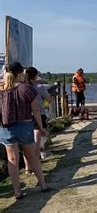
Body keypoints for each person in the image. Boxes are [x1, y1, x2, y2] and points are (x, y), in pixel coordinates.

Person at [0, 62, 49, 199]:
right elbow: (35, 110)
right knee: (32, 156)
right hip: (25, 126)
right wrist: (40, 127)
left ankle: (17, 192)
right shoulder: (26, 89)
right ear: (20, 73)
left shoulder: (1, 89)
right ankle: (43, 185)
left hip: (6, 128)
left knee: (12, 159)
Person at [23, 67, 52, 173]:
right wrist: (44, 104)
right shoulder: (39, 87)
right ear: (36, 76)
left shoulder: (22, 87)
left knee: (26, 142)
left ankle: (27, 167)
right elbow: (49, 99)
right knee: (36, 140)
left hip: (24, 117)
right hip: (39, 115)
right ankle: (36, 162)